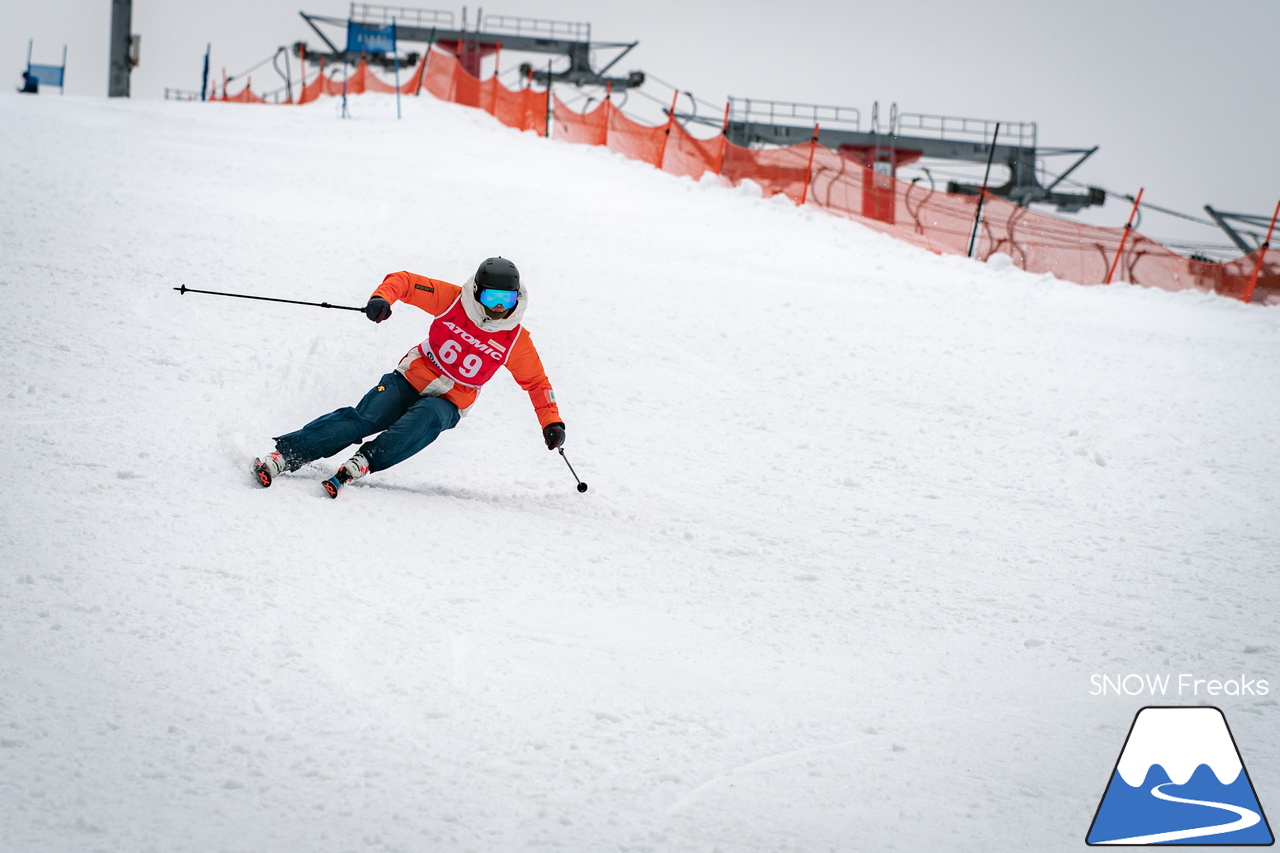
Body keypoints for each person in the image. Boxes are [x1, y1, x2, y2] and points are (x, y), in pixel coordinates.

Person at [253, 257, 566, 498]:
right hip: (411, 377)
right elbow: (404, 282)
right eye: (492, 297)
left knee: (423, 420)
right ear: (476, 292)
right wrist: (383, 298)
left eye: (507, 300)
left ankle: (365, 461)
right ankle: (285, 455)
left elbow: (537, 383)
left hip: (450, 399)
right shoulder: (453, 300)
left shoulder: (514, 340)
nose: (498, 308)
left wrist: (552, 422)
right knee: (364, 419)